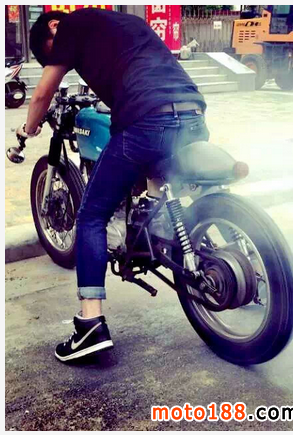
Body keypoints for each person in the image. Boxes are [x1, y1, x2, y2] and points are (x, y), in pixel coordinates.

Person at [18, 8, 209, 362]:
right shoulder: (124, 23)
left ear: (53, 26)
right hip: (193, 113)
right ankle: (160, 227)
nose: (58, 64)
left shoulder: (69, 26)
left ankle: (90, 325)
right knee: (158, 173)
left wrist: (27, 130)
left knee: (91, 216)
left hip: (149, 120)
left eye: (50, 55)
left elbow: (42, 94)